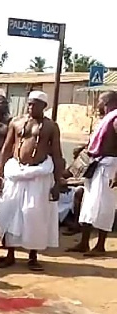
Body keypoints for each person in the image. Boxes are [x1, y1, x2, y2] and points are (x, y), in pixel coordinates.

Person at [0, 91, 63, 271]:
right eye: (29, 103)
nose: (30, 107)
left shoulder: (51, 127)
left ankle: (33, 256)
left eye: (35, 104)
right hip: (15, 173)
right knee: (9, 211)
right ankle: (10, 254)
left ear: (44, 106)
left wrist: (57, 183)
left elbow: (57, 155)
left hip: (38, 175)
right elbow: (6, 149)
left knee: (33, 214)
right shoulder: (16, 122)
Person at [67, 91, 117, 256]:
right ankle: (84, 243)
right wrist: (83, 148)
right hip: (96, 166)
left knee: (104, 207)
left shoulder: (115, 119)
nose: (97, 105)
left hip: (109, 167)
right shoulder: (105, 120)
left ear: (107, 102)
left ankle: (100, 246)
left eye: (99, 101)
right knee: (88, 206)